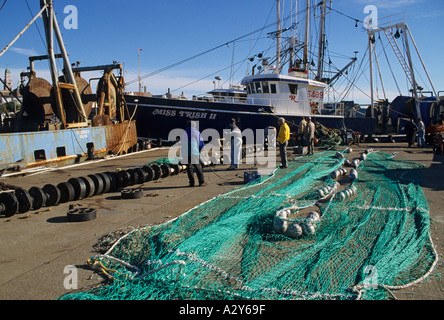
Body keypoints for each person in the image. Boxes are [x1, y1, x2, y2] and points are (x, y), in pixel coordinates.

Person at [181, 120, 206, 187]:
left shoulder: (184, 133)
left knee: (189, 168)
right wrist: (199, 151)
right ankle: (201, 182)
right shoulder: (196, 132)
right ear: (194, 126)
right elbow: (201, 144)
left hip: (185, 152)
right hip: (194, 152)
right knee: (198, 167)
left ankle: (191, 183)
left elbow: (182, 144)